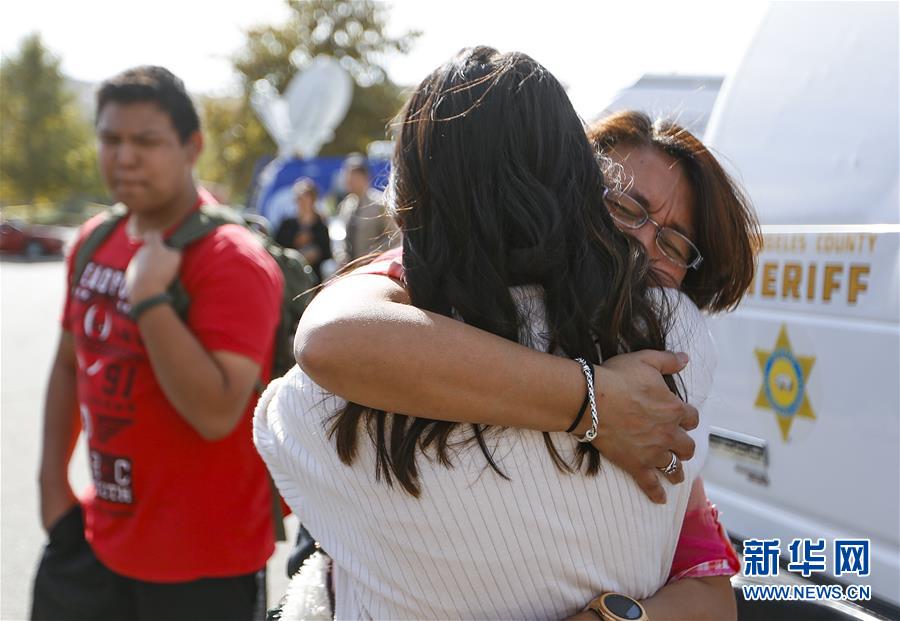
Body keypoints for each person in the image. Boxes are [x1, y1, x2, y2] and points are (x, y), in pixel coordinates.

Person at [255, 47, 737, 620]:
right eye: (624, 205)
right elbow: (338, 338)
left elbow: (711, 594)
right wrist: (592, 400)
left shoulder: (663, 372)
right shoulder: (387, 313)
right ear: (579, 190)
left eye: (676, 244)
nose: (641, 246)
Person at [33, 66, 283, 621]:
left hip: (204, 566)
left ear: (192, 146)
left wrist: (149, 298)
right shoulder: (92, 241)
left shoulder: (232, 261)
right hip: (93, 543)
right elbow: (69, 367)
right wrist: (52, 487)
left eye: (145, 141)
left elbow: (216, 412)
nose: (124, 156)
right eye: (110, 139)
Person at [336, 154, 398, 262]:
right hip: (350, 267)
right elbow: (340, 236)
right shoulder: (346, 205)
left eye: (354, 176)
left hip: (374, 267)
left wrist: (371, 256)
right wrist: (341, 255)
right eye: (348, 175)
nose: (349, 180)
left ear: (365, 177)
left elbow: (394, 237)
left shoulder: (380, 203)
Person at [274, 177, 332, 281]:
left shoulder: (321, 226)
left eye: (306, 197)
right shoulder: (287, 224)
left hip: (314, 278)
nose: (302, 202)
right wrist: (295, 243)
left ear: (313, 199)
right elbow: (278, 250)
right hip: (292, 278)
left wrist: (316, 254)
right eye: (299, 198)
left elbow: (327, 254)